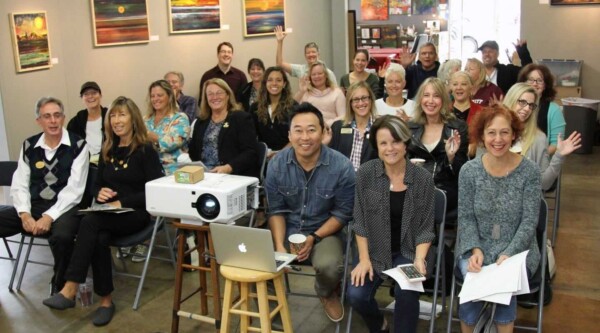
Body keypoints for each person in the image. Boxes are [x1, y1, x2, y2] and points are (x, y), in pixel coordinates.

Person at [42, 96, 164, 327]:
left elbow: (156, 190)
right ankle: (106, 301)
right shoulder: (109, 148)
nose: (117, 120)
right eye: (114, 116)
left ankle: (70, 287)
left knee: (91, 222)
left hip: (136, 213)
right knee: (98, 234)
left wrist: (122, 201)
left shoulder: (145, 150)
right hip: (107, 215)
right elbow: (96, 184)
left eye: (122, 115)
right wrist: (100, 193)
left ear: (133, 118)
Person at [265, 102, 355, 323]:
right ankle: (271, 299)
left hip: (325, 231)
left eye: (311, 130)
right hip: (287, 228)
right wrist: (279, 247)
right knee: (258, 257)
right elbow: (275, 210)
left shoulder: (341, 166)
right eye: (298, 130)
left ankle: (326, 292)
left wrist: (313, 238)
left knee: (330, 266)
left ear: (324, 131)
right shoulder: (277, 165)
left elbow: (343, 214)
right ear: (290, 134)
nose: (305, 137)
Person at [347, 115, 436, 333]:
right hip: (374, 250)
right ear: (376, 147)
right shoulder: (367, 174)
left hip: (410, 250)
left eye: (395, 142)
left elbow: (426, 227)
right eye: (383, 143)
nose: (390, 148)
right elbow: (359, 221)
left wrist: (419, 259)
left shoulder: (422, 178)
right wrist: (364, 259)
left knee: (407, 290)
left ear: (405, 143)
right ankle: (380, 325)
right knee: (356, 295)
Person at [456, 104, 541, 333]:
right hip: (475, 247)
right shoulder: (469, 171)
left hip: (518, 249)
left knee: (505, 288)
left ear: (514, 134)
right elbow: (465, 217)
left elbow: (529, 221)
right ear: (482, 135)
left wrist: (508, 254)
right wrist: (475, 249)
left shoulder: (530, 172)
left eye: (504, 132)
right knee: (471, 294)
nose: (498, 139)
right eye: (491, 132)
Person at [0, 97, 89, 294]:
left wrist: (49, 216)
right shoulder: (29, 145)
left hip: (65, 207)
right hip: (33, 206)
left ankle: (61, 285)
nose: (53, 121)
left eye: (57, 115)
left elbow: (75, 190)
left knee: (63, 237)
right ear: (38, 121)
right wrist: (24, 214)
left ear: (64, 118)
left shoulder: (79, 145)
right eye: (47, 116)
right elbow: (20, 184)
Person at [503, 83, 581, 191]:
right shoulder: (491, 133)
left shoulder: (538, 138)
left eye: (531, 105)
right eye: (522, 102)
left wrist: (559, 156)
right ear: (510, 100)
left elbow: (544, 184)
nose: (526, 109)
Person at [407, 77, 467, 211]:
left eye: (436, 96)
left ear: (444, 100)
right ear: (420, 100)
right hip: (413, 187)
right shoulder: (410, 127)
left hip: (444, 190)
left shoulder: (457, 128)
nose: (430, 101)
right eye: (426, 95)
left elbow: (463, 171)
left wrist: (451, 157)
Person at [189, 78, 258, 177]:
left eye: (219, 93)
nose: (215, 97)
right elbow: (194, 154)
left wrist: (228, 167)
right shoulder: (201, 121)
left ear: (227, 95)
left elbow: (250, 152)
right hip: (205, 176)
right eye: (210, 94)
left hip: (233, 175)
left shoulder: (241, 118)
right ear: (206, 98)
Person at [326, 81, 378, 171]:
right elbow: (329, 159)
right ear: (350, 103)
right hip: (343, 181)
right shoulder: (338, 127)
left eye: (364, 98)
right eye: (356, 99)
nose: (361, 103)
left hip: (370, 181)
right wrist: (325, 145)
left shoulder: (380, 127)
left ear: (371, 100)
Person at [517, 63, 566, 154]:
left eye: (539, 80)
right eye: (530, 80)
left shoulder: (554, 109)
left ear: (545, 85)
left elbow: (556, 143)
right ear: (523, 82)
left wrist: (538, 157)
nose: (535, 84)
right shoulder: (515, 104)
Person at [144, 80, 190, 175]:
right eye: (152, 96)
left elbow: (172, 142)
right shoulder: (145, 119)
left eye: (160, 95)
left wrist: (149, 135)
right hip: (147, 169)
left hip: (173, 171)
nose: (155, 99)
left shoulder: (180, 118)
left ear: (169, 97)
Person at [250, 66, 296, 158]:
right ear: (265, 83)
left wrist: (280, 154)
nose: (274, 83)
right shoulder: (255, 107)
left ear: (284, 84)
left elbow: (297, 136)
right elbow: (250, 135)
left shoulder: (294, 107)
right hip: (263, 157)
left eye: (278, 80)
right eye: (270, 80)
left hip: (288, 156)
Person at [295, 61, 346, 127]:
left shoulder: (337, 93)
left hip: (331, 130)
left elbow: (343, 116)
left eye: (319, 73)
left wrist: (326, 124)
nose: (317, 76)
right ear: (310, 77)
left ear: (326, 75)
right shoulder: (305, 93)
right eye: (313, 74)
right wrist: (301, 92)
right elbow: (293, 110)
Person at [67, 81, 107, 159]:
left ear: (100, 95)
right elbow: (70, 147)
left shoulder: (110, 117)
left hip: (108, 161)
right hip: (85, 163)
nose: (90, 96)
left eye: (94, 93)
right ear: (82, 98)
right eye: (86, 94)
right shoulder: (75, 123)